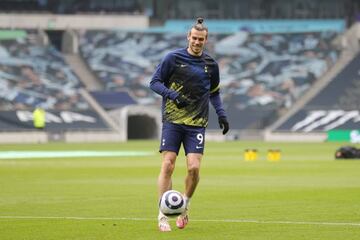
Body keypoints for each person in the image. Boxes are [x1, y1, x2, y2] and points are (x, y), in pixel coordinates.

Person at [150, 17, 229, 232]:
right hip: (173, 120)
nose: (197, 42)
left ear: (206, 40)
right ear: (188, 37)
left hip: (196, 123)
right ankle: (162, 214)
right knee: (168, 164)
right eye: (194, 38)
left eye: (201, 39)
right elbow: (154, 82)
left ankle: (184, 206)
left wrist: (221, 114)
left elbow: (215, 93)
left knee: (193, 168)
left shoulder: (211, 65)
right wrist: (172, 95)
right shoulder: (172, 58)